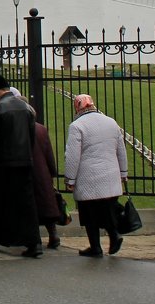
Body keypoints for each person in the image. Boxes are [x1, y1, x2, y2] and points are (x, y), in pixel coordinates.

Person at [0, 75, 42, 257]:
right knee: (26, 203)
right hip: (24, 161)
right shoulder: (26, 107)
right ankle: (34, 243)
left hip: (4, 162)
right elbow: (32, 136)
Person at [64, 94, 127, 257]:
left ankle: (96, 247)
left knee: (89, 214)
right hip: (111, 176)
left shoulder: (77, 126)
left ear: (77, 107)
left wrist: (70, 179)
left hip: (88, 177)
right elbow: (121, 149)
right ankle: (114, 236)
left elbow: (72, 155)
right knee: (108, 210)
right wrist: (123, 172)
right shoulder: (111, 122)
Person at [21, 97, 62, 250]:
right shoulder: (41, 129)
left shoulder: (19, 129)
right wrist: (52, 171)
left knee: (30, 206)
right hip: (42, 172)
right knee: (46, 205)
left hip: (26, 170)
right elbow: (48, 153)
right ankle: (53, 235)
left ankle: (34, 240)